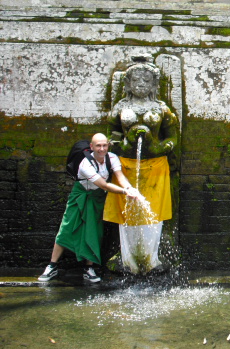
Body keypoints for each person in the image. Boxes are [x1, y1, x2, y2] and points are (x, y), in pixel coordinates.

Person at [104, 57, 178, 274]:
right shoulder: (121, 107)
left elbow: (173, 139)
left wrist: (156, 146)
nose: (141, 84)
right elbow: (111, 136)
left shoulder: (162, 109)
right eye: (136, 80)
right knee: (127, 211)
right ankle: (127, 258)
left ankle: (152, 257)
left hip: (156, 166)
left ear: (155, 85)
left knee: (153, 212)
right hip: (125, 166)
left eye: (147, 81)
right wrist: (123, 143)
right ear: (127, 84)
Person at [38, 133, 142, 283]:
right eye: (98, 146)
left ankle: (89, 268)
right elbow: (104, 185)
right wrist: (125, 192)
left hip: (98, 197)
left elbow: (119, 176)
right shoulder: (85, 164)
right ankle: (52, 266)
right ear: (92, 147)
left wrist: (129, 187)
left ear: (108, 145)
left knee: (94, 231)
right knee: (66, 228)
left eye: (104, 145)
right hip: (80, 195)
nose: (101, 149)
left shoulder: (112, 158)